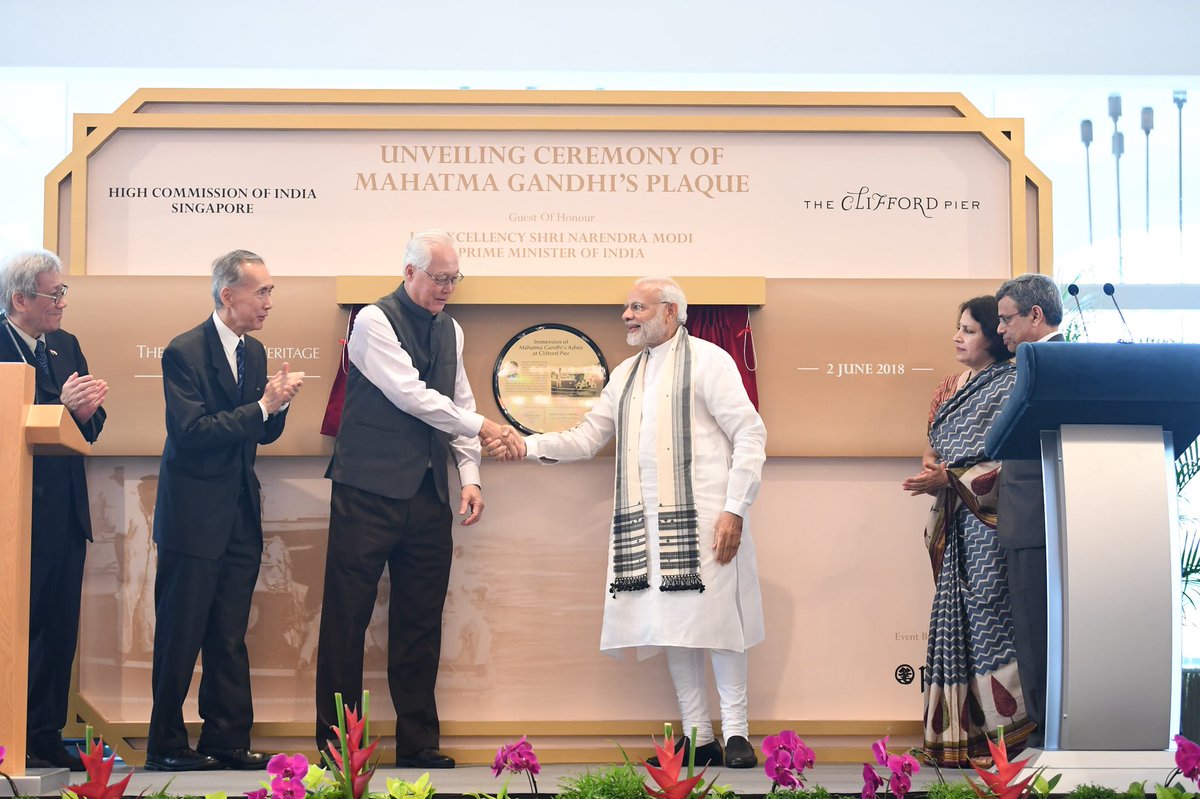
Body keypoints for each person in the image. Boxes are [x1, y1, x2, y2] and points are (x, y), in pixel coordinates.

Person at [495, 276, 766, 769]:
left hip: (708, 518)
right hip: (646, 526)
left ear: (671, 311)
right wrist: (526, 443)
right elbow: (585, 438)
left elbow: (749, 433)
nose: (627, 316)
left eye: (638, 307)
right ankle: (699, 734)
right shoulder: (624, 375)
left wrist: (735, 509)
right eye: (627, 307)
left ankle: (740, 732)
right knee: (671, 625)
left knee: (719, 624)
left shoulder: (711, 360)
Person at [315, 230, 503, 769]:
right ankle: (338, 748)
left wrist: (470, 475)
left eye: (453, 278)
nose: (447, 288)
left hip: (426, 496)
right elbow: (414, 397)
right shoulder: (372, 321)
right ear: (409, 272)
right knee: (345, 623)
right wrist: (486, 426)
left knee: (421, 622)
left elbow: (458, 397)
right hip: (366, 491)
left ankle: (418, 744)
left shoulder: (452, 330)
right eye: (439, 278)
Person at [147, 250, 304, 771]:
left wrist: (276, 406)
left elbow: (259, 432)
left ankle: (227, 740)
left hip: (238, 514)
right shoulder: (183, 351)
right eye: (261, 292)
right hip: (192, 516)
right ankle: (166, 745)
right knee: (180, 633)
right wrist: (261, 406)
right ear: (227, 294)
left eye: (270, 292)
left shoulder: (254, 352)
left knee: (229, 633)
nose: (269, 303)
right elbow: (191, 435)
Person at [901, 296, 1034, 766]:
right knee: (957, 619)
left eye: (970, 330)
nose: (958, 337)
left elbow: (1012, 461)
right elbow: (934, 446)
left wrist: (951, 477)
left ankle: (1013, 742)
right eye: (958, 328)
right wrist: (935, 470)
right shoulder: (949, 386)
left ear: (994, 338)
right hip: (955, 519)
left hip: (990, 522)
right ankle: (966, 743)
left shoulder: (1014, 382)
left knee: (992, 619)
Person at [0, 249, 107, 771]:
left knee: (58, 631)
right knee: (13, 630)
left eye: (63, 292)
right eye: (53, 294)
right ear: (19, 299)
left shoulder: (65, 346)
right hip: (13, 515)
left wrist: (84, 411)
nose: (62, 302)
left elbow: (89, 422)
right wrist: (60, 406)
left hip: (65, 511)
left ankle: (43, 734)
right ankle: (6, 738)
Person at [992, 273, 1064, 747]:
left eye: (1006, 319)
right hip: (1058, 517)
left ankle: (1046, 743)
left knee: (1038, 640)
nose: (1001, 330)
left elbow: (1000, 435)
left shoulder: (1047, 363)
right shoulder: (1055, 360)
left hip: (1037, 518)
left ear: (1035, 315)